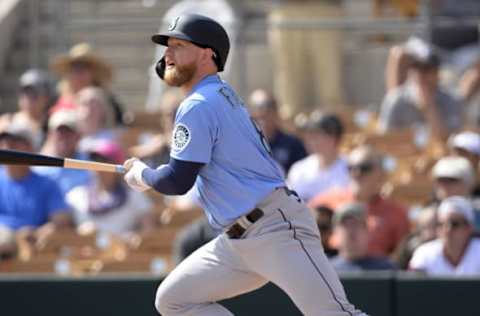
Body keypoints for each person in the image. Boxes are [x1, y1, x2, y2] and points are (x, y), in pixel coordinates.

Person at [123, 14, 365, 316]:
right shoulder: (219, 94)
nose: (167, 54)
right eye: (167, 46)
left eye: (178, 45)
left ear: (207, 54)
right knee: (174, 299)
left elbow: (177, 181)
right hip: (237, 241)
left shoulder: (199, 103)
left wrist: (142, 174)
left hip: (274, 228)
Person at [309, 145, 410, 257]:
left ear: (381, 175)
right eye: (350, 168)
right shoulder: (325, 202)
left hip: (374, 271)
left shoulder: (396, 213)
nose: (355, 173)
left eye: (364, 168)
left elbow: (400, 258)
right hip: (330, 268)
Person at [378, 37, 463, 141]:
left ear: (437, 74)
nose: (420, 75)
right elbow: (385, 138)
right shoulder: (395, 100)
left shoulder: (451, 101)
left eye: (426, 69)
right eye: (416, 68)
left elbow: (449, 142)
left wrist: (429, 108)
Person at [0, 121, 72, 242]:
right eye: (3, 142)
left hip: (34, 250)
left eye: (15, 142)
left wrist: (37, 233)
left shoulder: (47, 184)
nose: (7, 146)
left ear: (30, 148)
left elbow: (61, 220)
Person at [67, 140, 155, 238]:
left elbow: (149, 231)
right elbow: (63, 233)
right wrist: (80, 234)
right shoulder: (76, 196)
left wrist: (130, 239)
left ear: (118, 165)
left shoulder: (134, 195)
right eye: (94, 160)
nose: (97, 166)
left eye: (104, 160)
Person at [50, 42, 124, 125]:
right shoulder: (56, 98)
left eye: (84, 67)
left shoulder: (107, 100)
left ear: (94, 72)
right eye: (74, 67)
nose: (78, 72)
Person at [287, 111, 350, 202]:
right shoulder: (298, 169)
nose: (309, 138)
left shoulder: (351, 169)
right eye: (308, 133)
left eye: (316, 133)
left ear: (333, 137)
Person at [409, 196, 480, 275]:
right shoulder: (424, 254)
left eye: (454, 224)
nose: (447, 230)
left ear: (469, 228)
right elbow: (414, 286)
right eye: (441, 224)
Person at [34, 109, 92, 195]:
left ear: (78, 136)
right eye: (59, 132)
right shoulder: (39, 168)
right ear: (50, 135)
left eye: (69, 132)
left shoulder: (90, 164)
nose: (64, 138)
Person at [248, 88, 307, 173]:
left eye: (266, 114)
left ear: (276, 112)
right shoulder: (246, 144)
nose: (260, 114)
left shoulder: (293, 144)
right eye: (258, 117)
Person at [330, 202, 396, 272]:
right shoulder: (327, 270)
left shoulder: (385, 268)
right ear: (335, 232)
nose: (351, 231)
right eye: (345, 225)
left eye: (356, 224)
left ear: (367, 231)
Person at [0, 69, 55, 150]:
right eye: (25, 92)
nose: (28, 97)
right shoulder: (7, 122)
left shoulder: (53, 124)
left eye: (34, 93)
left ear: (46, 97)